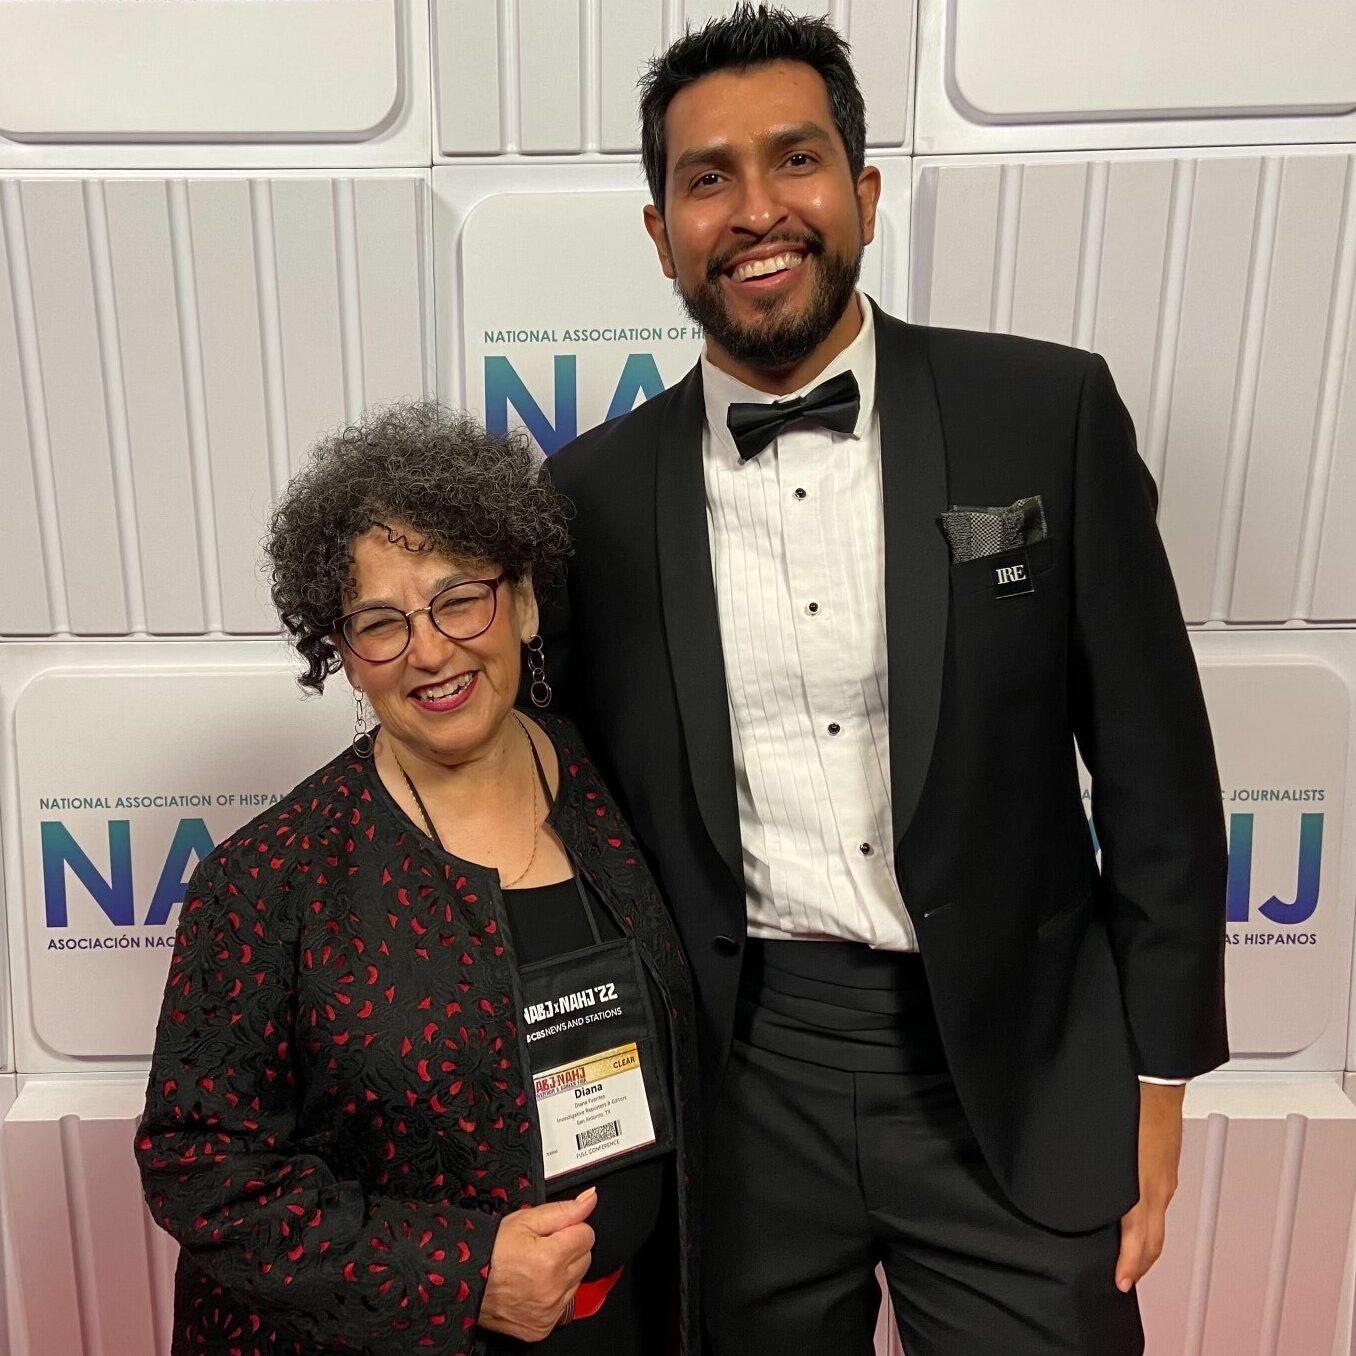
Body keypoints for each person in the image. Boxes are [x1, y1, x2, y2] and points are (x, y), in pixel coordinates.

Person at [539, 6, 1228, 1354]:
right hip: (735, 1088)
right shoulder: (588, 500)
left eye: (794, 162)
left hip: (1018, 1075)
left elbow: (1154, 771)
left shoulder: (1045, 412)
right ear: (659, 231)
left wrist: (1160, 1080)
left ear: (860, 192)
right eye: (705, 179)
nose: (755, 211)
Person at [135, 403, 699, 1356]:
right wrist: (464, 1273)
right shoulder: (270, 878)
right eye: (380, 623)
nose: (430, 651)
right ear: (342, 654)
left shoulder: (617, 788)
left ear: (520, 601)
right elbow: (199, 1163)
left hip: (632, 1324)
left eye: (458, 599)